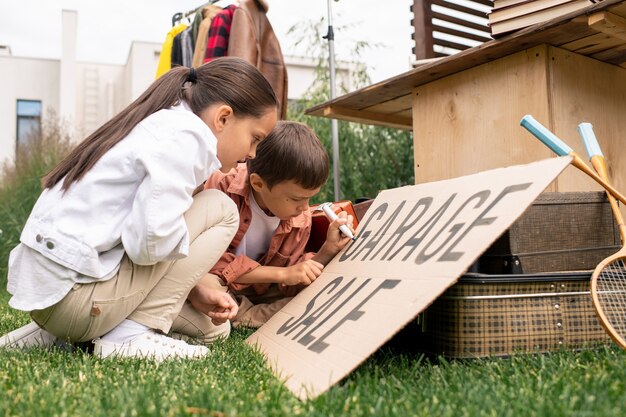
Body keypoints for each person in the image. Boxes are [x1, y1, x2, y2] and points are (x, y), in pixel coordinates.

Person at [0, 57, 279, 360]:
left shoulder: (161, 121)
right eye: (255, 139)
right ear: (223, 118)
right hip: (75, 301)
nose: (251, 154)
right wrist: (182, 264)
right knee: (221, 208)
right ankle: (131, 335)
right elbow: (148, 244)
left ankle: (57, 335)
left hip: (50, 297)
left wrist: (191, 285)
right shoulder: (189, 137)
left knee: (214, 330)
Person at [193, 121, 355, 329]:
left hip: (261, 290)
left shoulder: (300, 217)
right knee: (202, 282)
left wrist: (327, 250)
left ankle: (245, 315)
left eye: (310, 198)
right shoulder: (221, 186)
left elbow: (291, 278)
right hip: (216, 281)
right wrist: (283, 274)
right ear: (258, 183)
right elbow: (209, 262)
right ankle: (249, 315)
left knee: (312, 290)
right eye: (296, 199)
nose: (305, 208)